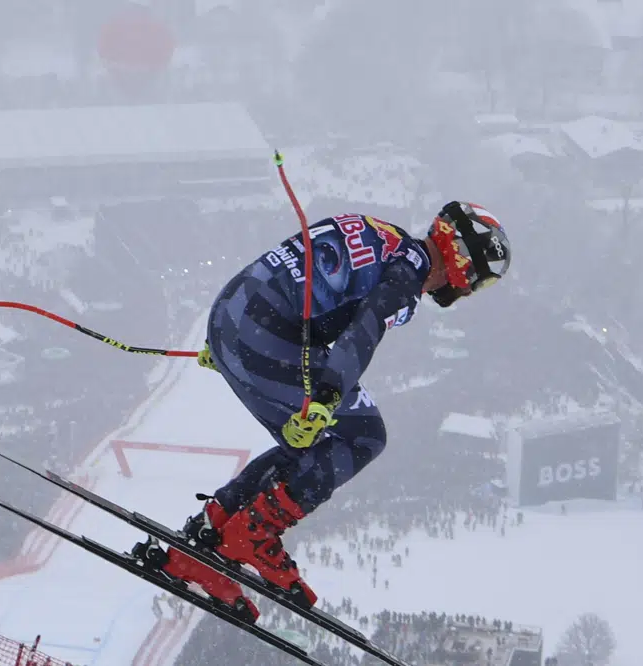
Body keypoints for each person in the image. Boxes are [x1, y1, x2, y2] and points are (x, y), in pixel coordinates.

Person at [159, 201, 511, 621]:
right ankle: (251, 535)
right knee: (363, 437)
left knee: (305, 445)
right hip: (265, 339)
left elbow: (291, 265)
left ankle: (208, 536)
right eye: (483, 281)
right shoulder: (407, 271)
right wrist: (327, 396)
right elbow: (363, 331)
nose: (472, 291)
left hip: (233, 320)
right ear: (465, 263)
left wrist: (228, 339)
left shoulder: (388, 237)